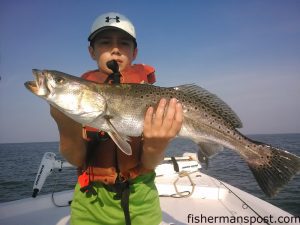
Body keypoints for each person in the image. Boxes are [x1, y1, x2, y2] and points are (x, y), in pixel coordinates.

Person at [50, 12, 183, 225]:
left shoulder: (153, 97)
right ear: (91, 51)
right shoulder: (82, 99)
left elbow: (150, 163)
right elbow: (75, 159)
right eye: (104, 42)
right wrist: (65, 122)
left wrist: (157, 145)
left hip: (142, 200)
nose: (115, 48)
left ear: (135, 52)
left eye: (124, 43)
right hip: (90, 204)